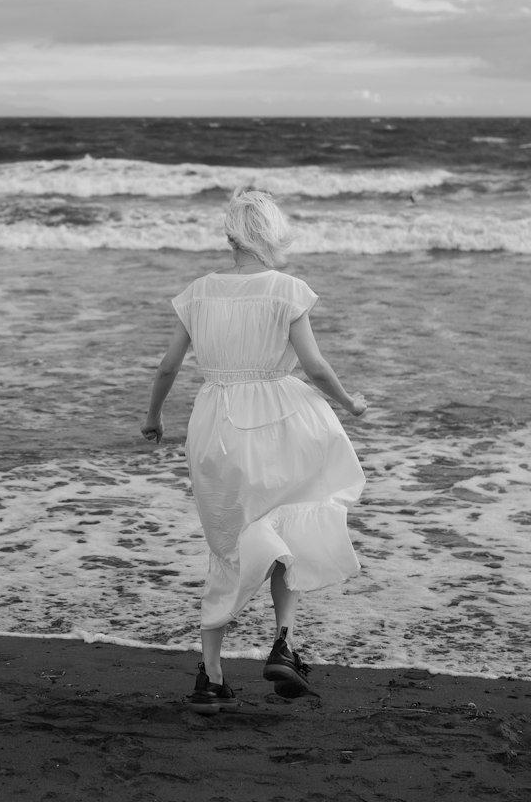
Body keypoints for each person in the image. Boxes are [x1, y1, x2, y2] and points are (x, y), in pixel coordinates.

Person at [141, 188, 367, 715]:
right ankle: (283, 643)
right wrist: (350, 403)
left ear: (230, 237)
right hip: (282, 418)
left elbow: (167, 367)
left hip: (215, 423)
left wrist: (153, 418)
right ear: (271, 235)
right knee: (290, 524)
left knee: (228, 542)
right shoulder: (285, 289)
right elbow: (313, 367)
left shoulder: (197, 292)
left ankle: (211, 676)